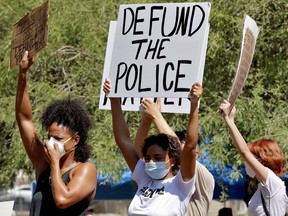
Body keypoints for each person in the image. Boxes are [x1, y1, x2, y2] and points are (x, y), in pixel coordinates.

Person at [103, 79, 202, 215]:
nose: (151, 162)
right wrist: (114, 99)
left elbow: (189, 146)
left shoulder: (181, 184)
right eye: (148, 158)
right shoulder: (144, 177)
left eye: (158, 157)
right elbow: (123, 140)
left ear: (172, 161)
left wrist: (194, 104)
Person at [16, 51, 97, 216]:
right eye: (49, 137)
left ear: (75, 140)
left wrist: (54, 165)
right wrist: (23, 74)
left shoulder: (85, 170)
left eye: (58, 139)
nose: (51, 143)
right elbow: (24, 119)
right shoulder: (42, 163)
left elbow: (62, 200)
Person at [136, 99, 214, 216]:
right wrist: (147, 118)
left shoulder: (202, 175)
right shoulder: (163, 175)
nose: (173, 153)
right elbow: (138, 151)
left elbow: (179, 150)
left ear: (195, 155)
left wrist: (156, 115)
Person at [219, 99, 287, 216]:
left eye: (253, 157)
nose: (247, 162)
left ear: (263, 160)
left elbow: (244, 152)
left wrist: (229, 121)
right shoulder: (264, 187)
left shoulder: (272, 182)